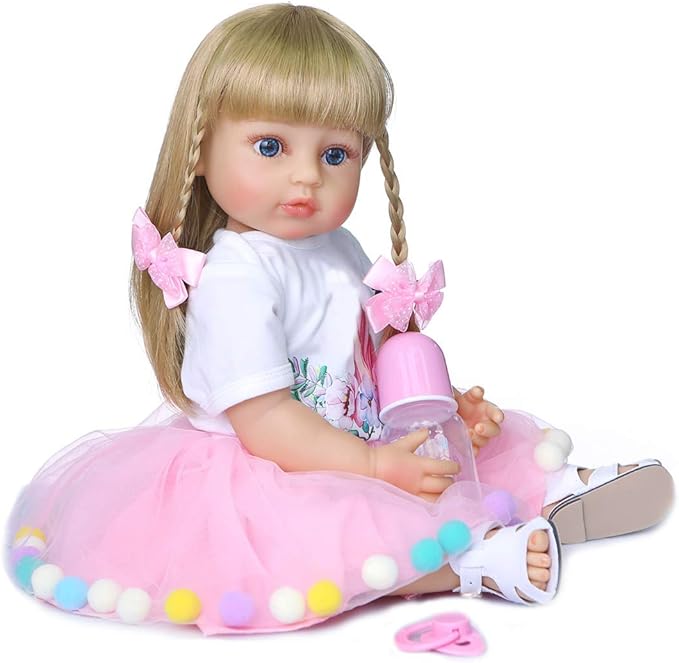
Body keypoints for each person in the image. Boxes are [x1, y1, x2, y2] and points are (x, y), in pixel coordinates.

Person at [6, 3, 672, 635]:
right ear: (200, 150)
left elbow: (373, 358)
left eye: (334, 155)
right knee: (327, 537)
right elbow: (267, 420)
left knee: (458, 457)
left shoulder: (339, 248)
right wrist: (371, 466)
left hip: (356, 437)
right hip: (277, 463)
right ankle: (465, 566)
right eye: (271, 146)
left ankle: (548, 491)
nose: (307, 178)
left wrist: (443, 406)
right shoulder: (236, 278)